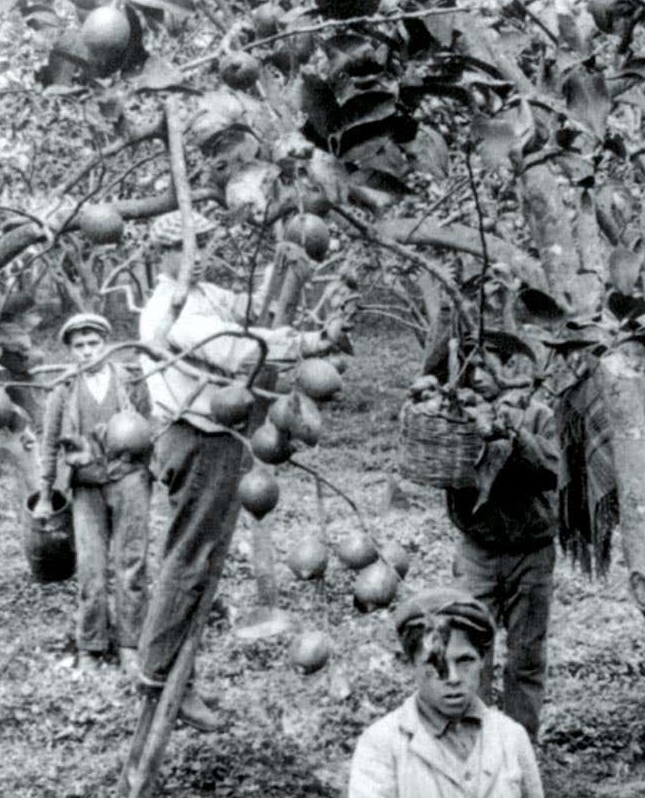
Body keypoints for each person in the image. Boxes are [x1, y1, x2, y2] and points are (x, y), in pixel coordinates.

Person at [136, 211, 349, 732]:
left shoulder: (202, 292)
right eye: (188, 247)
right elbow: (236, 345)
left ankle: (173, 675)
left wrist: (284, 271)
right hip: (197, 440)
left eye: (204, 243)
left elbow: (252, 309)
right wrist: (310, 342)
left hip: (219, 437)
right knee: (190, 558)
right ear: (162, 256)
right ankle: (158, 676)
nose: (200, 254)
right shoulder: (171, 311)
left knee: (201, 559)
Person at [37, 313, 153, 674]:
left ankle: (131, 643)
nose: (88, 352)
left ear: (107, 345)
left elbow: (149, 427)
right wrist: (44, 493)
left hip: (129, 480)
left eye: (93, 344)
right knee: (91, 569)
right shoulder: (64, 389)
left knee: (131, 564)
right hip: (86, 488)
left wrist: (148, 467)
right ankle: (91, 645)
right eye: (79, 346)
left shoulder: (130, 381)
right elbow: (50, 442)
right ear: (71, 351)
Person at [348, 587, 545, 798]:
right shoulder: (382, 744)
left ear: (482, 661)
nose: (452, 678)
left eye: (465, 661)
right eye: (435, 663)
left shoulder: (511, 737)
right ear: (411, 665)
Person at [447, 390, 559, 739]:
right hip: (478, 550)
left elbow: (553, 470)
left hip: (531, 552)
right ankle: (470, 743)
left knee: (526, 656)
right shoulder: (456, 412)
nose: (481, 375)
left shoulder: (538, 415)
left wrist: (511, 434)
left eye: (492, 360)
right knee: (466, 649)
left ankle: (519, 745)